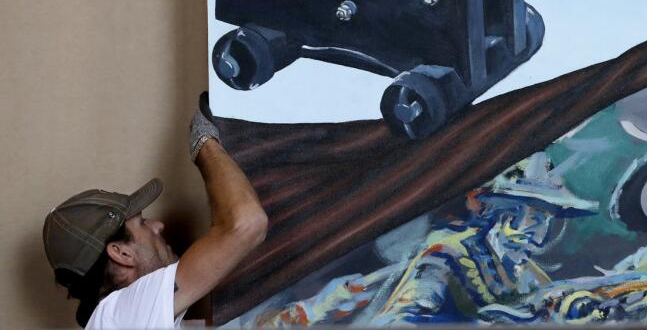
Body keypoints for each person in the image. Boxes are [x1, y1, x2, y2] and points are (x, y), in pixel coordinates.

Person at [251, 152, 597, 325]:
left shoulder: (529, 274)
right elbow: (405, 321)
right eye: (532, 216)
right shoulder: (446, 256)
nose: (535, 232)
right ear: (501, 212)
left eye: (545, 221)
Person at [42, 95, 267, 328]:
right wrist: (203, 141)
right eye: (142, 223)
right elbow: (248, 224)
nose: (158, 225)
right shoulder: (118, 315)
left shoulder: (118, 320)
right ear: (122, 253)